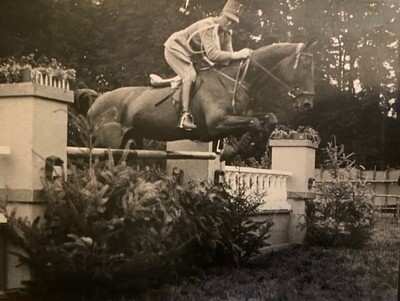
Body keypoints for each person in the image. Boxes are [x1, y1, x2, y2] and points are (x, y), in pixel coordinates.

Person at [164, 0, 253, 130]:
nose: (229, 23)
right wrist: (238, 54)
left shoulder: (227, 33)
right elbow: (213, 54)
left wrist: (244, 59)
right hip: (175, 48)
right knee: (190, 76)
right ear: (222, 14)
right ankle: (184, 116)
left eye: (233, 22)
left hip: (192, 54)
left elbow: (227, 57)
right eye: (228, 19)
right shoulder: (208, 26)